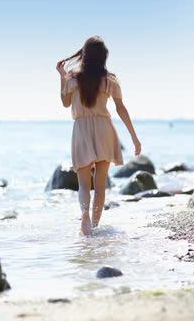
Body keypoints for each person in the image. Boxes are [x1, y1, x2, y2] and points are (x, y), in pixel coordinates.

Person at [56, 36, 141, 236]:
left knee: (84, 184)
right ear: (104, 57)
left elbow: (65, 103)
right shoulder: (110, 80)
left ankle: (85, 213)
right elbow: (121, 109)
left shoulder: (73, 78)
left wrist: (62, 77)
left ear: (84, 55)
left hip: (81, 129)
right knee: (100, 184)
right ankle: (93, 226)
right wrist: (134, 137)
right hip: (104, 128)